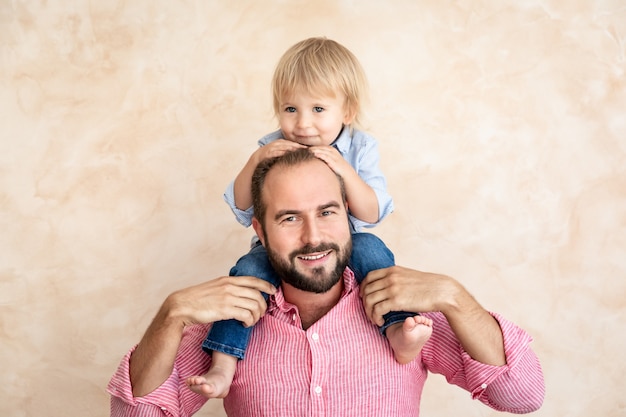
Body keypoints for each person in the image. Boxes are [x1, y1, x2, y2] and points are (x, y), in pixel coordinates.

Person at [108, 148, 545, 417]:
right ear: (259, 232)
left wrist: (454, 297)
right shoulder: (230, 321)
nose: (313, 236)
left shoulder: (405, 314)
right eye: (289, 218)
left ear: (348, 216)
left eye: (327, 212)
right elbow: (136, 415)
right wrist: (171, 315)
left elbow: (522, 395)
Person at [190, 37, 431, 398]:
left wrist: (344, 171)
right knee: (246, 273)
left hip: (345, 240)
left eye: (318, 109)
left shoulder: (359, 147)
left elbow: (372, 212)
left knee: (375, 253)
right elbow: (241, 205)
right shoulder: (271, 147)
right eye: (290, 109)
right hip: (282, 249)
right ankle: (225, 362)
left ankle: (398, 330)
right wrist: (256, 161)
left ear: (346, 111)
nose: (302, 124)